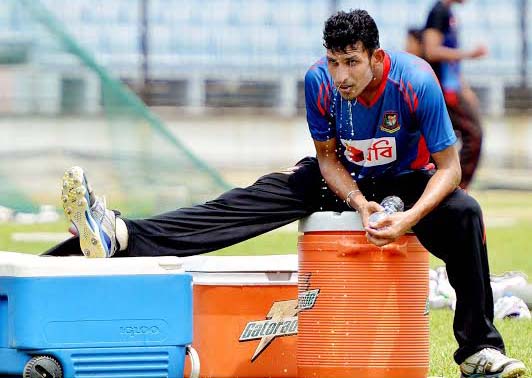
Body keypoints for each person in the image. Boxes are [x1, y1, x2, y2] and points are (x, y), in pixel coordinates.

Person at [48, 9, 526, 378]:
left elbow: (449, 169)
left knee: (464, 212)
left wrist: (405, 219)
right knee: (257, 197)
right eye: (335, 62)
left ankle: (478, 349)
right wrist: (359, 203)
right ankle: (120, 234)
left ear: (377, 58)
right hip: (343, 179)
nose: (342, 76)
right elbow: (326, 158)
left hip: (405, 180)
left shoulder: (416, 81)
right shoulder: (319, 82)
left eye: (353, 63)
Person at [423, 0, 487, 189]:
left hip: (451, 87)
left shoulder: (448, 13)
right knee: (473, 133)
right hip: (442, 90)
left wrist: (464, 88)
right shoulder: (438, 12)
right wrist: (469, 54)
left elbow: (450, 65)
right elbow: (431, 50)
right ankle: (457, 187)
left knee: (440, 137)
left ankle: (445, 185)